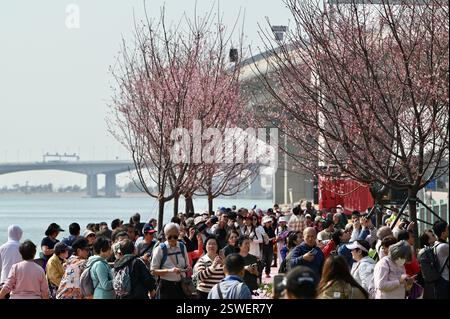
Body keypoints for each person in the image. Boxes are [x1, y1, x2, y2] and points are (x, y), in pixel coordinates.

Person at [151, 223, 192, 299]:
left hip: (181, 285)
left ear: (178, 234)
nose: (172, 239)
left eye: (175, 236)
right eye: (169, 237)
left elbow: (187, 264)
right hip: (166, 287)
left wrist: (187, 268)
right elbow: (153, 271)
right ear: (165, 236)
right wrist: (170, 271)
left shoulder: (182, 247)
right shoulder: (159, 249)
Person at [431, 221, 449, 299]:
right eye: (448, 229)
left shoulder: (436, 244)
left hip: (441, 279)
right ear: (443, 233)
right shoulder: (444, 247)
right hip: (446, 280)